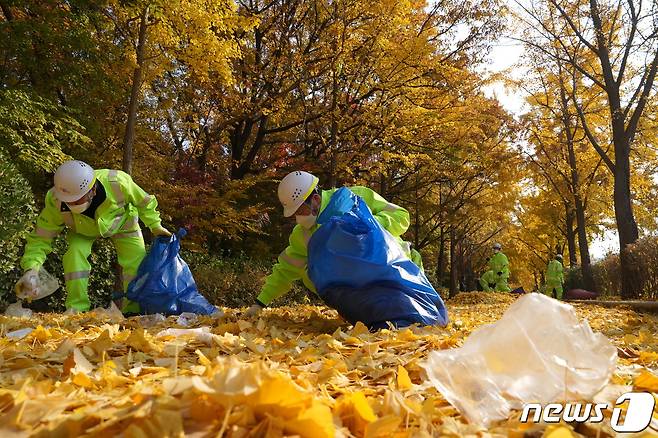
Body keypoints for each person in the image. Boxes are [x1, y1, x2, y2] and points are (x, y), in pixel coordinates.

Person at [246, 170, 422, 316]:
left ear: (315, 199)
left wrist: (370, 225)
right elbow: (285, 269)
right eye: (295, 213)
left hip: (399, 272)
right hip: (362, 295)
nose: (298, 217)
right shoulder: (303, 235)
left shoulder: (357, 197)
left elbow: (401, 216)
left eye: (301, 210)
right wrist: (260, 303)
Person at [17, 160, 170, 313]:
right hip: (82, 231)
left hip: (123, 223)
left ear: (93, 190)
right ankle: (76, 309)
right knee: (74, 255)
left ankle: (133, 311)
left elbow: (145, 202)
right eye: (69, 202)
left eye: (78, 200)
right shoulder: (56, 201)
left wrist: (155, 226)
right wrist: (32, 268)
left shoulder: (117, 182)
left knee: (136, 263)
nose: (72, 205)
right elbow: (40, 237)